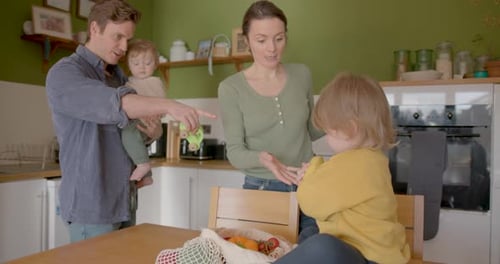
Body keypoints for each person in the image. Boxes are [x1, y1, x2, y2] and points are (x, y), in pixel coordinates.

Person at [45, 0, 214, 243]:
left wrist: (151, 132)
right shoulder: (66, 73)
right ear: (94, 29)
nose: (124, 47)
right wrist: (169, 105)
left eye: (128, 39)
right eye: (118, 37)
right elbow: (114, 104)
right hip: (92, 206)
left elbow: (125, 132)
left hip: (125, 198)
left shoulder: (118, 76)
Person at [275, 72, 410, 264]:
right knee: (312, 233)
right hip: (374, 252)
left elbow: (311, 203)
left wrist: (309, 174)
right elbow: (338, 198)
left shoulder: (353, 163)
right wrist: (317, 173)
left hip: (367, 258)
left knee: (323, 246)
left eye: (328, 131)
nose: (327, 138)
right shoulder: (373, 160)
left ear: (350, 129)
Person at [217, 0, 324, 242]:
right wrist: (264, 159)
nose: (272, 49)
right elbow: (235, 152)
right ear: (247, 40)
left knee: (316, 254)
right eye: (261, 40)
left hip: (310, 185)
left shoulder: (302, 74)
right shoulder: (231, 88)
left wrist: (342, 119)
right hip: (264, 190)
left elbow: (312, 130)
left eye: (279, 38)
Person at [122, 39, 166, 184]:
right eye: (136, 63)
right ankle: (146, 176)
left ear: (155, 64)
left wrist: (155, 117)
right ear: (128, 64)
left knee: (128, 133)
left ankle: (143, 166)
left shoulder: (155, 82)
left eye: (147, 63)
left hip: (146, 123)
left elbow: (163, 105)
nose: (142, 67)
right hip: (138, 123)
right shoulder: (128, 82)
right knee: (133, 144)